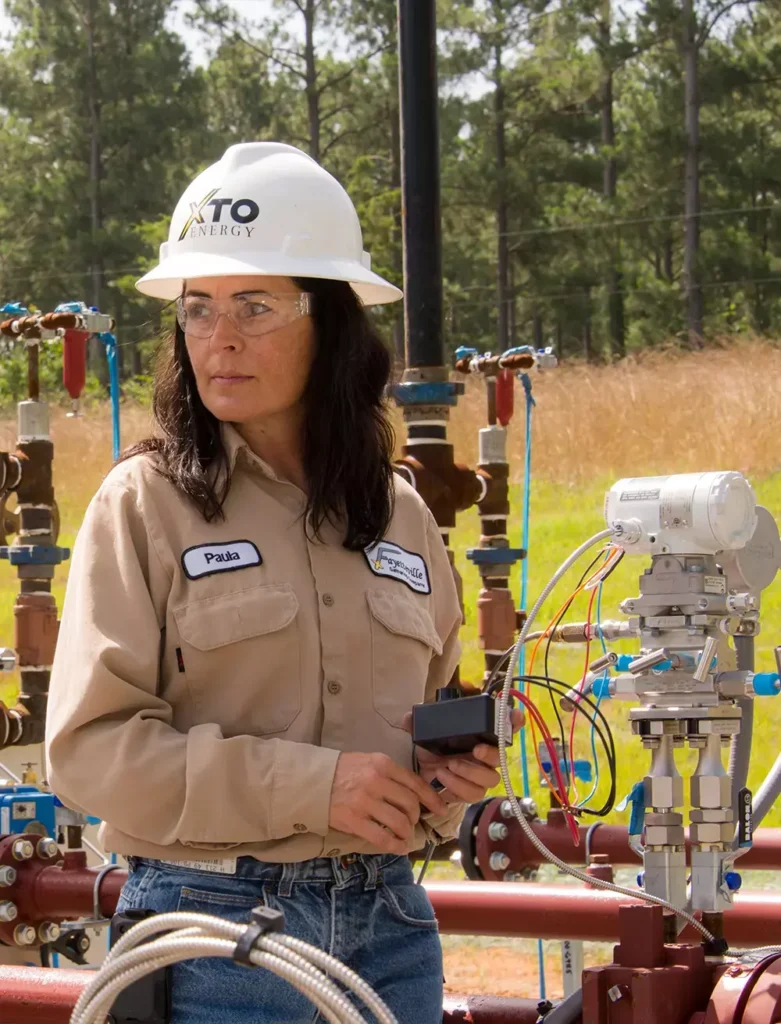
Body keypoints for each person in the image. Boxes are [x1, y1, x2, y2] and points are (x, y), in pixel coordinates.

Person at [45, 142, 520, 1024]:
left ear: (332, 321)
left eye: (254, 307)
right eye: (198, 308)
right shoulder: (145, 504)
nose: (218, 339)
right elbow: (91, 752)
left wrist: (446, 782)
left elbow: (428, 717)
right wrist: (313, 787)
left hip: (390, 926)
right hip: (210, 929)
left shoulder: (402, 515)